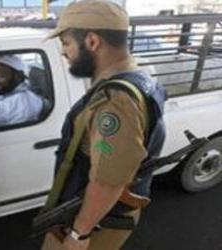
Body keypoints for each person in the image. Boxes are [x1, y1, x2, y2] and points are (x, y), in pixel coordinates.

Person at [40, 1, 167, 250]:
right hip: (104, 213)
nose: (63, 52)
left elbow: (108, 181)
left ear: (92, 41)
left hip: (96, 221)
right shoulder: (139, 78)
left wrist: (79, 234)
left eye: (66, 43)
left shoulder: (115, 102)